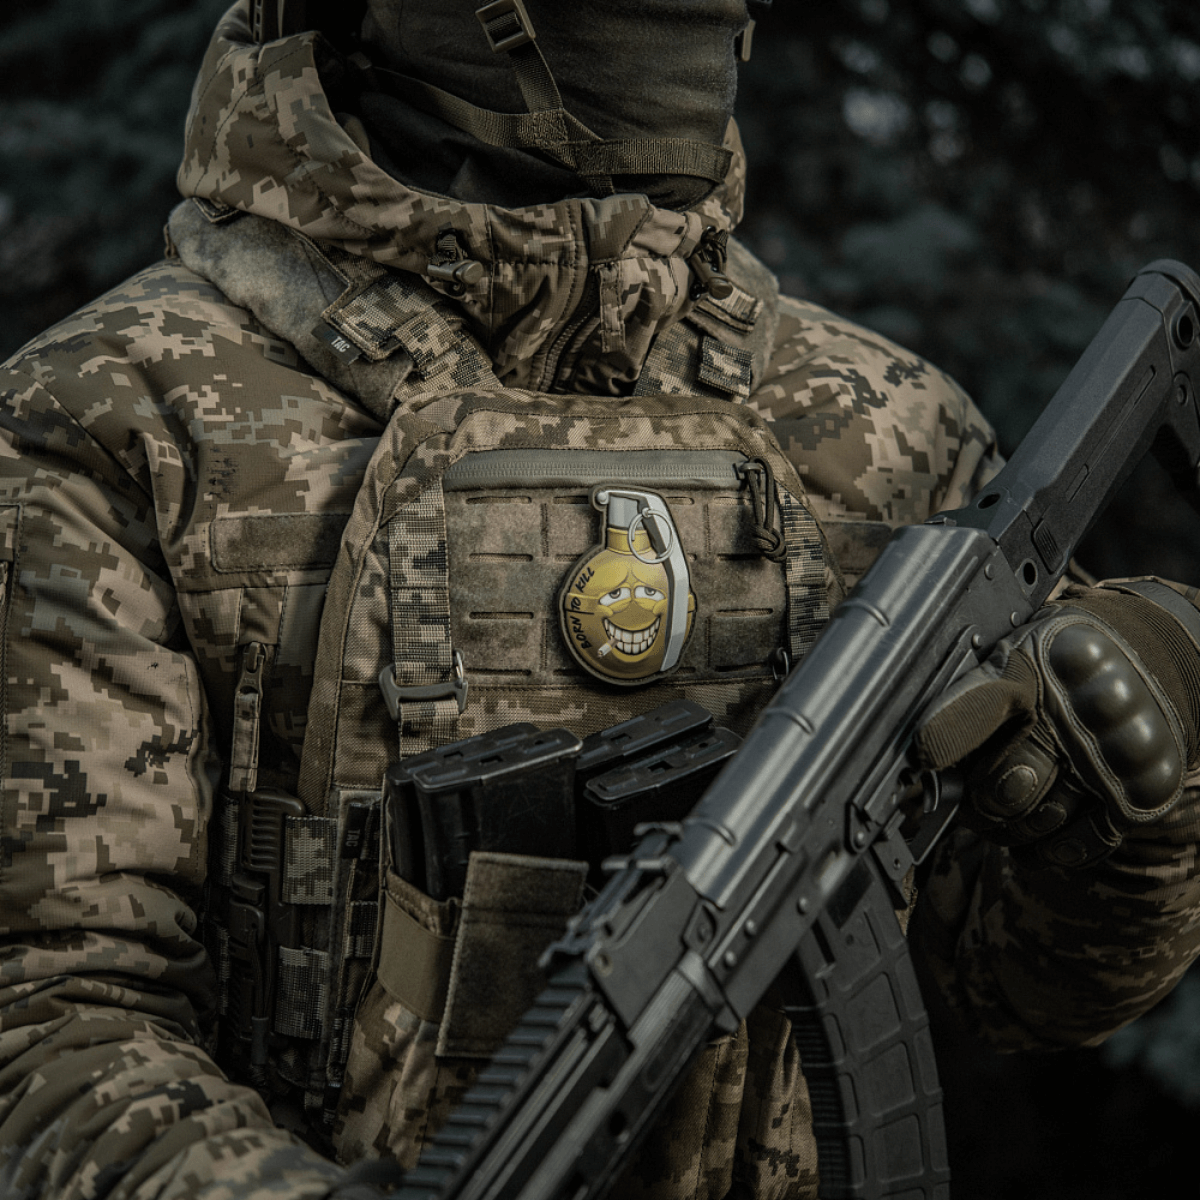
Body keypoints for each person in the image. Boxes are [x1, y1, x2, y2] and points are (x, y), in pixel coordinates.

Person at [1, 2, 1198, 1198]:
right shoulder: (112, 421)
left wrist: (1148, 776)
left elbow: (1022, 983)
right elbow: (46, 1021)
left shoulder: (883, 426)